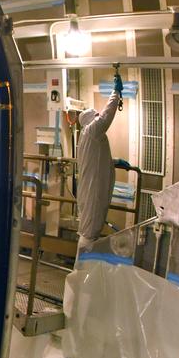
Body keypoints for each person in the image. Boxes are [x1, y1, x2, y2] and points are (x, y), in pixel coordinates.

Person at [75, 78, 123, 254]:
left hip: (92, 188)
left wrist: (115, 162)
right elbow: (106, 116)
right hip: (92, 191)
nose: (97, 118)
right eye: (95, 116)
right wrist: (115, 93)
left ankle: (83, 270)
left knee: (91, 229)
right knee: (89, 232)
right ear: (90, 119)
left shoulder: (89, 137)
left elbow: (97, 160)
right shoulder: (91, 130)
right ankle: (80, 271)